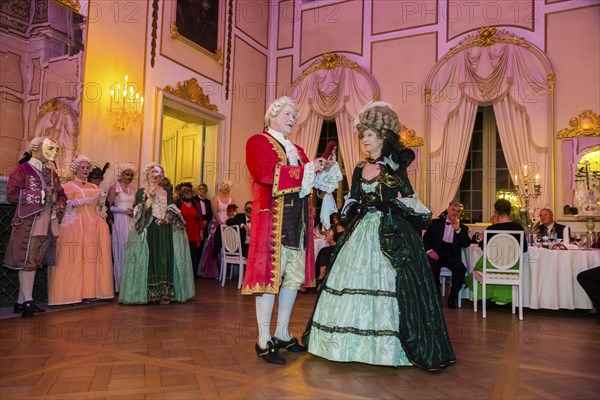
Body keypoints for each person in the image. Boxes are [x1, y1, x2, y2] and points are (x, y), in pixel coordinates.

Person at [306, 102, 455, 371]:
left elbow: (409, 199)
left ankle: (386, 348)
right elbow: (351, 200)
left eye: (370, 134)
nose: (364, 139)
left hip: (390, 232)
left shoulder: (394, 168)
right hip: (361, 230)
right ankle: (342, 344)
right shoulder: (358, 168)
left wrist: (395, 198)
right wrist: (338, 222)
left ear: (383, 136)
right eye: (362, 134)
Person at [242, 96, 342, 365]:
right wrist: (308, 170)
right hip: (272, 221)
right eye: (287, 113)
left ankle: (282, 332)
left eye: (295, 117)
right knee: (268, 279)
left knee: (292, 278)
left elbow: (313, 182)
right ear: (271, 115)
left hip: (297, 222)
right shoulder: (258, 141)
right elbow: (265, 172)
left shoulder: (297, 148)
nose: (292, 119)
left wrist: (323, 168)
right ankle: (263, 339)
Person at [3, 136, 66, 317]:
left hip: (48, 222)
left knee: (35, 259)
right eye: (50, 148)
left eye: (56, 149)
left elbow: (62, 195)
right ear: (36, 148)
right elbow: (12, 194)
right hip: (29, 222)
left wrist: (58, 204)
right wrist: (41, 195)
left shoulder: (52, 173)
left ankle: (21, 302)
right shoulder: (22, 169)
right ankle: (28, 300)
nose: (54, 153)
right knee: (27, 260)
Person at [119, 162, 195, 304]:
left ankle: (164, 294)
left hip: (165, 229)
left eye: (159, 173)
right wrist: (149, 198)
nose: (157, 175)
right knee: (150, 258)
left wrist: (167, 219)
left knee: (164, 257)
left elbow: (172, 208)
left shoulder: (166, 191)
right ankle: (149, 294)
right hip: (149, 228)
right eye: (154, 172)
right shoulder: (141, 191)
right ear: (148, 174)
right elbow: (138, 210)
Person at [47, 155, 114, 305]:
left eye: (86, 168)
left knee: (90, 259)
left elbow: (99, 208)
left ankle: (90, 292)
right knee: (75, 259)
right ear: (75, 169)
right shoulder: (68, 186)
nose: (85, 170)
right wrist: (77, 201)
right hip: (76, 225)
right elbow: (62, 204)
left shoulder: (94, 187)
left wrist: (101, 202)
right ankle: (70, 294)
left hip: (94, 225)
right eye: (82, 167)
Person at [464, 199, 528, 305]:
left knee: (477, 267)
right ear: (510, 211)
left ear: (496, 212)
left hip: (493, 267)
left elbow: (485, 250)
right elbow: (524, 249)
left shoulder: (491, 229)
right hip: (512, 267)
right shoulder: (518, 228)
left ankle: (486, 297)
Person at [423, 201, 472, 309]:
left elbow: (466, 243)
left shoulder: (463, 228)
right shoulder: (436, 223)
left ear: (460, 213)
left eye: (458, 211)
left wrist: (458, 230)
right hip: (437, 252)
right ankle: (437, 298)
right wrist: (430, 250)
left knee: (461, 269)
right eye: (453, 210)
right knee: (432, 267)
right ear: (448, 209)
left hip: (451, 255)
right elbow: (426, 238)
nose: (455, 213)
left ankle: (452, 298)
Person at [107, 163, 137, 292]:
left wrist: (134, 211)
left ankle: (131, 283)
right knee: (120, 251)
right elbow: (108, 208)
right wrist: (123, 210)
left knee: (131, 251)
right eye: (126, 174)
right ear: (121, 174)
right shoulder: (115, 187)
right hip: (119, 222)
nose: (129, 177)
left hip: (131, 221)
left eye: (131, 175)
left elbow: (134, 205)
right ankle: (120, 285)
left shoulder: (132, 189)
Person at [199, 181, 234, 279]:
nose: (225, 188)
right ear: (220, 188)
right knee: (213, 246)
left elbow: (233, 213)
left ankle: (225, 271)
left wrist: (228, 223)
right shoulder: (216, 198)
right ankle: (213, 271)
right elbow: (214, 212)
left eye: (227, 186)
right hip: (216, 225)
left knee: (226, 247)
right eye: (224, 186)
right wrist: (221, 223)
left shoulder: (231, 199)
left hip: (228, 226)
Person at [176, 182, 204, 277]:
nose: (188, 192)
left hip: (193, 233)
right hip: (181, 232)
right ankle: (181, 274)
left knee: (193, 254)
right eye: (185, 191)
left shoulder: (195, 204)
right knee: (182, 253)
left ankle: (192, 275)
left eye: (189, 191)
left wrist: (201, 232)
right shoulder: (177, 203)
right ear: (181, 192)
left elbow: (199, 219)